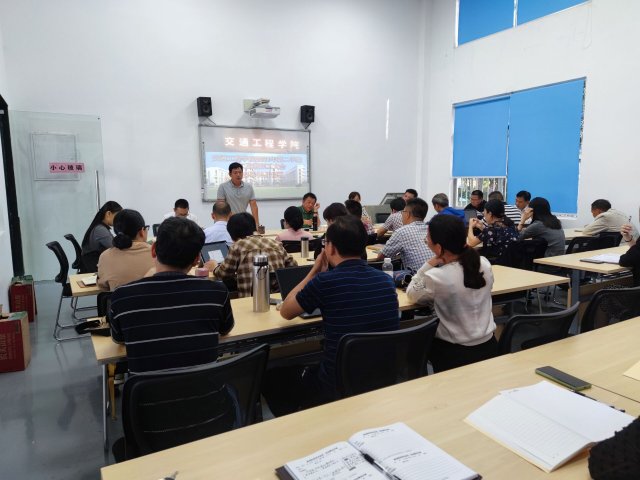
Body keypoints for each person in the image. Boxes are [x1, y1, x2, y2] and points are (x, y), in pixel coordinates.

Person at [262, 215, 399, 415]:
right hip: (382, 376)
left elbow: (286, 311)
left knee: (272, 376)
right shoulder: (385, 280)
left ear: (331, 248)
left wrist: (314, 271)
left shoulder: (325, 282)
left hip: (335, 381)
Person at [109, 217, 234, 374]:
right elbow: (225, 329)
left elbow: (119, 339)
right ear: (196, 259)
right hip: (204, 387)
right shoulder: (217, 291)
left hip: (146, 389)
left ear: (153, 250)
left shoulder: (122, 297)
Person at [406, 214, 497, 373]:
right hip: (490, 344)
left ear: (439, 247)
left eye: (427, 239)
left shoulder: (437, 277)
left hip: (454, 353)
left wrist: (429, 264)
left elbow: (412, 294)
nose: (426, 241)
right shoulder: (484, 263)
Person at [208, 212, 297, 297]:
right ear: (255, 228)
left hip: (251, 300)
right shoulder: (276, 244)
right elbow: (293, 265)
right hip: (278, 298)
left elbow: (223, 273)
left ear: (232, 235)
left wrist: (214, 267)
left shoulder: (238, 246)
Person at [97, 209, 154, 291]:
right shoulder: (156, 254)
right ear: (142, 231)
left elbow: (103, 286)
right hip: (151, 299)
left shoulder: (105, 257)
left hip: (120, 299)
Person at [377, 198, 434, 273]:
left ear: (407, 214)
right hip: (436, 275)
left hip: (417, 277)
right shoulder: (431, 230)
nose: (402, 214)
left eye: (402, 212)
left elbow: (381, 256)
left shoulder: (402, 232)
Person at [81, 201, 123, 272]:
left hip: (94, 264)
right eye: (118, 216)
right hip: (95, 268)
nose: (120, 220)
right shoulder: (100, 229)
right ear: (108, 214)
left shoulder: (99, 227)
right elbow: (115, 247)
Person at [217, 162, 260, 227]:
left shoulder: (249, 187)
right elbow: (221, 207)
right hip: (228, 222)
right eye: (235, 173)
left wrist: (256, 223)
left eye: (240, 172)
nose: (238, 175)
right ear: (230, 174)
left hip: (242, 221)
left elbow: (254, 206)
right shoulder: (223, 187)